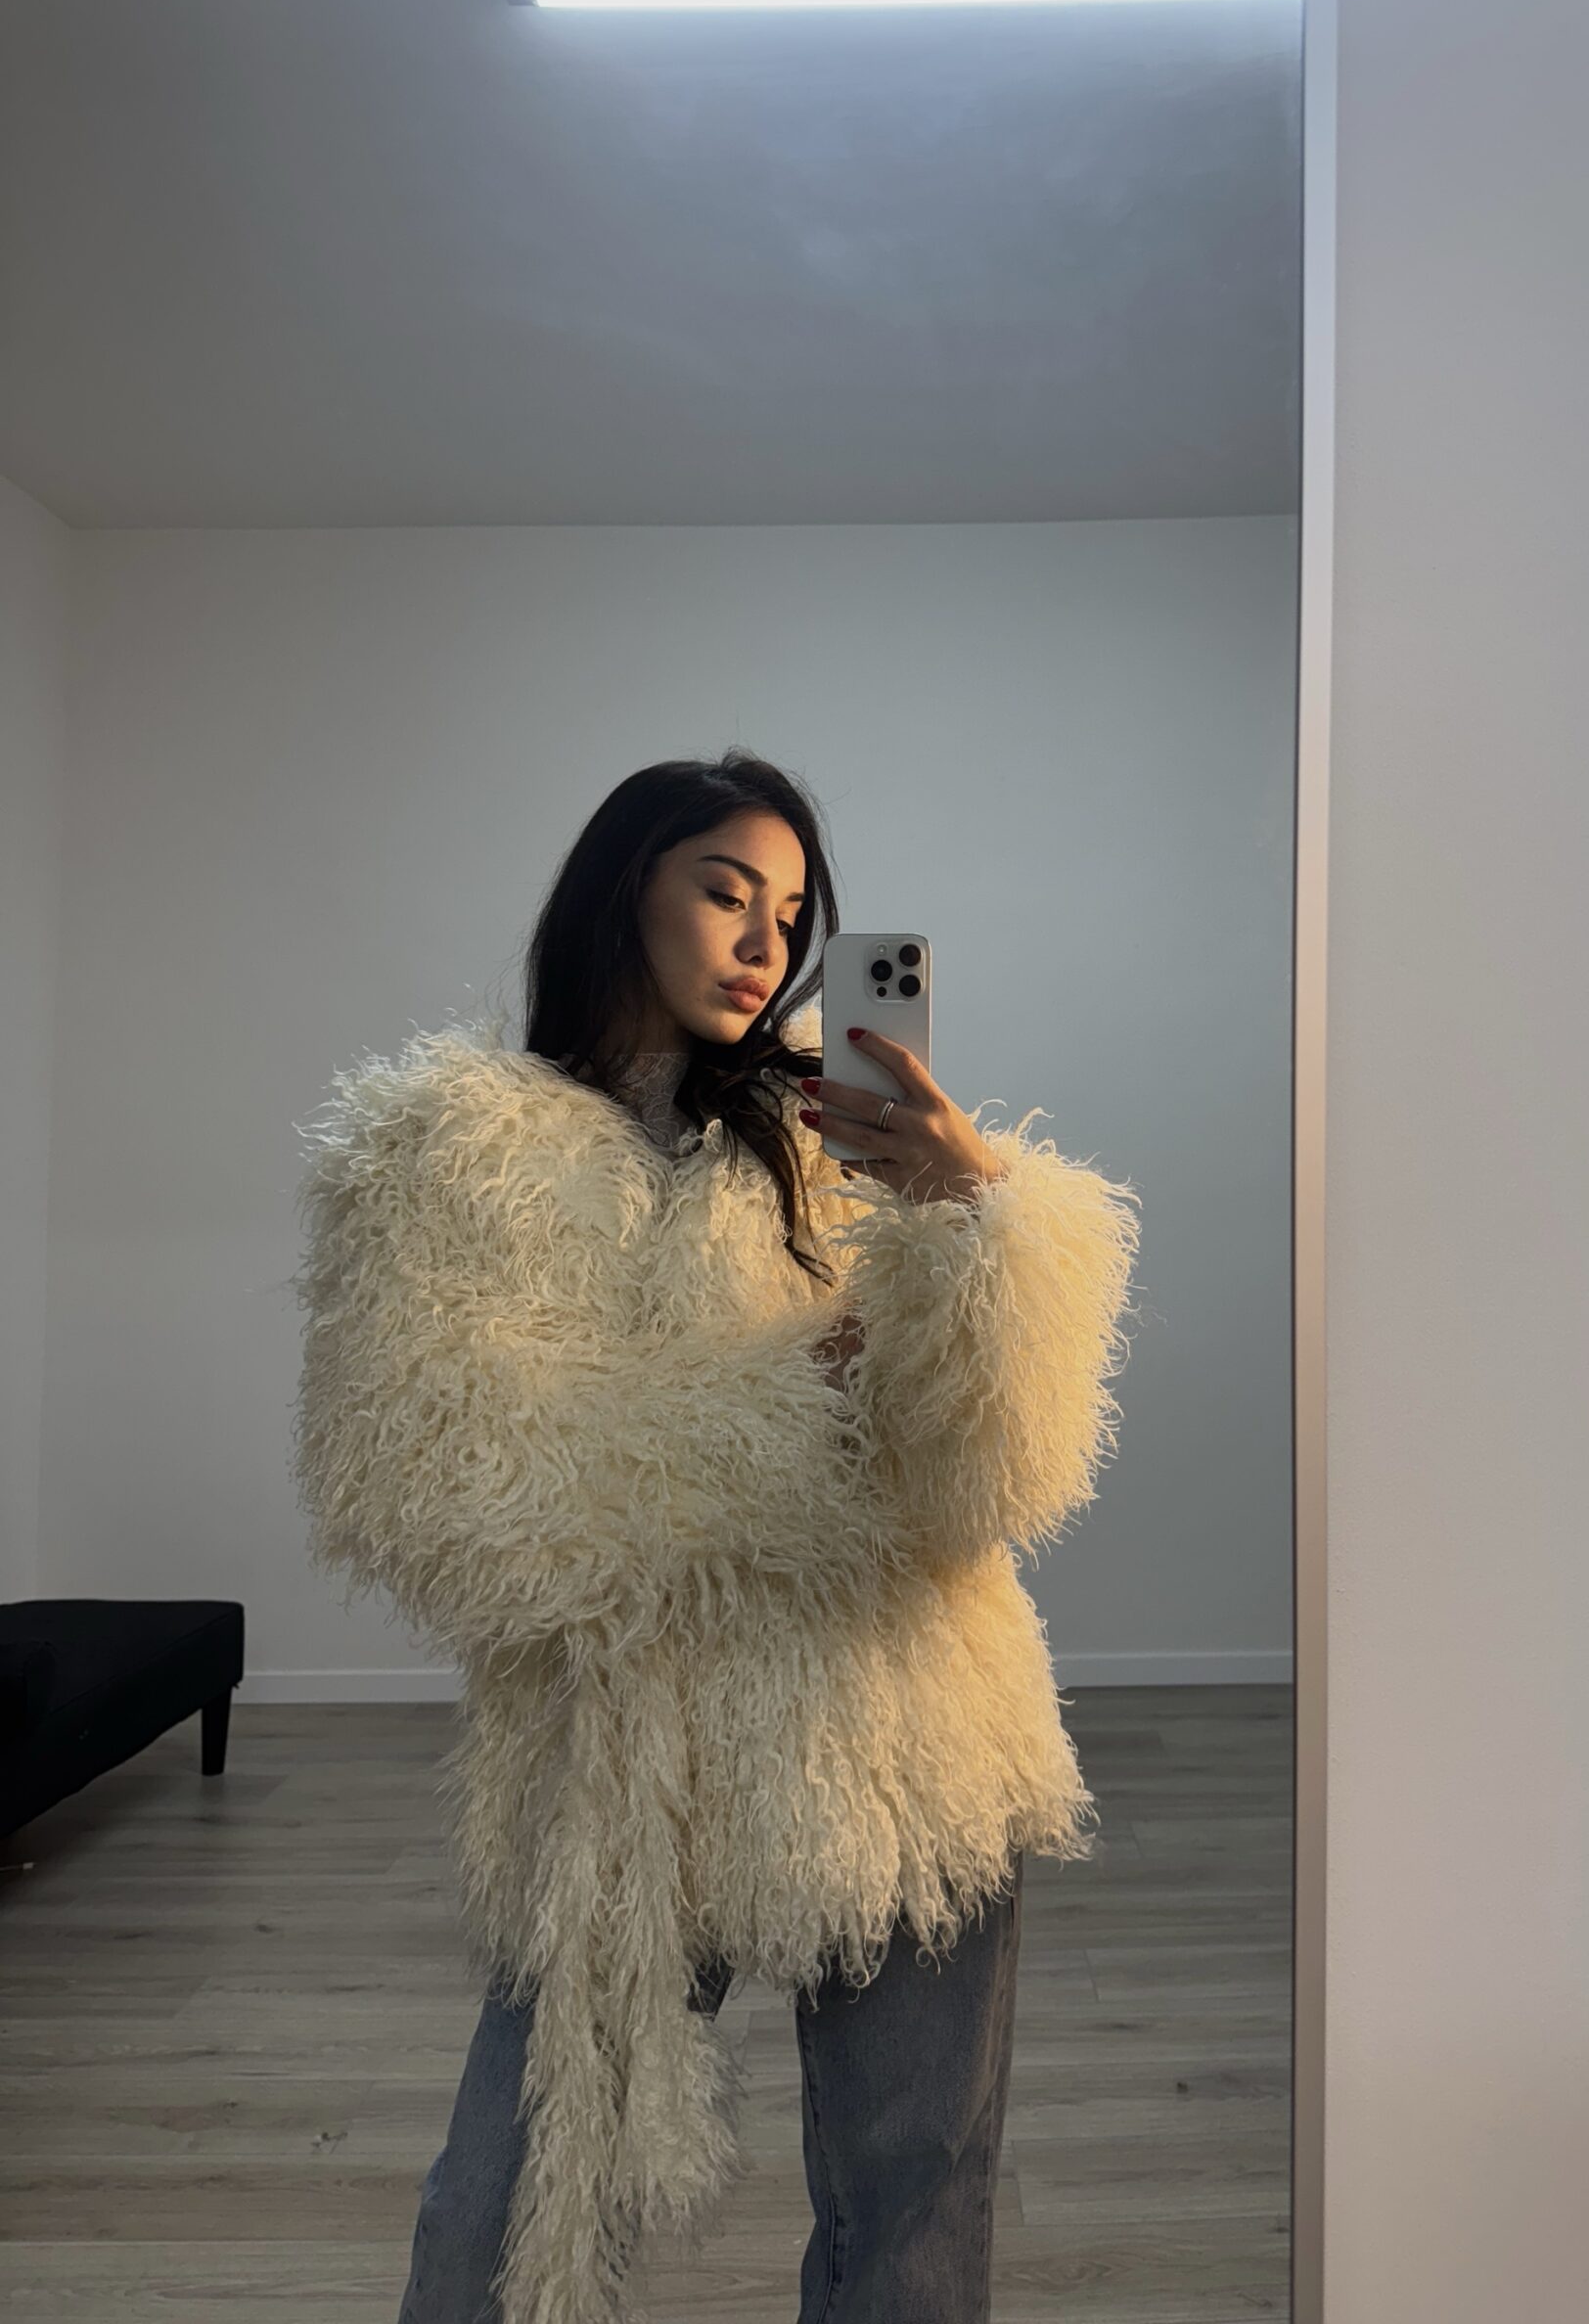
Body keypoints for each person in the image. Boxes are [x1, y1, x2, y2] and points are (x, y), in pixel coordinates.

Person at [290, 748, 1144, 2324]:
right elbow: (444, 1485)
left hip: (910, 1724)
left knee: (913, 2200)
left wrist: (970, 1215)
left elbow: (986, 1477)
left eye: (795, 911)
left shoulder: (830, 1129)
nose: (767, 940)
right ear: (629, 889)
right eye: (726, 890)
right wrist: (796, 1406)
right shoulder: (448, 1150)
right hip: (636, 1760)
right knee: (504, 2212)